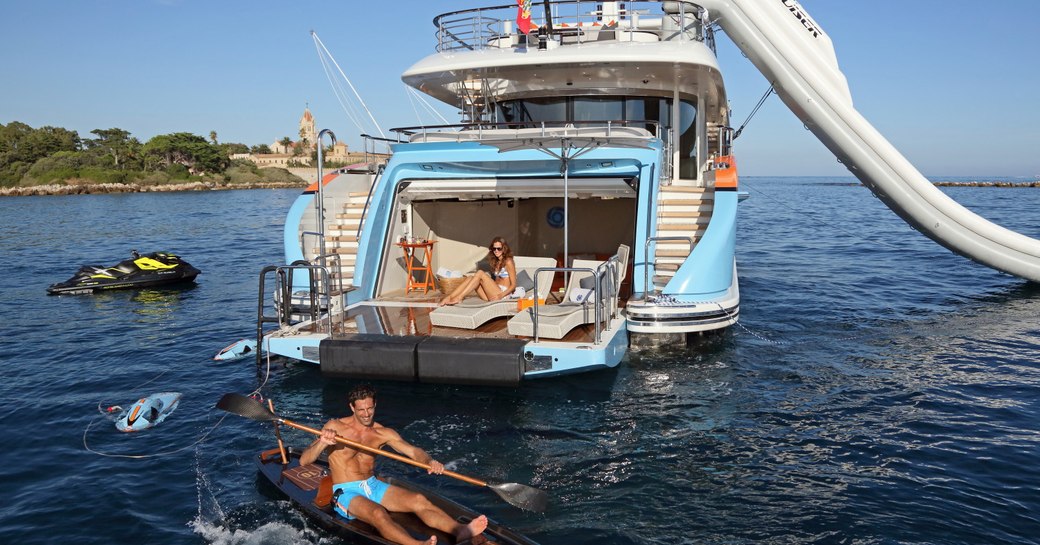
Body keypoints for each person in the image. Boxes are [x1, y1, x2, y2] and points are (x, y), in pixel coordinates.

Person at [299, 384, 487, 545]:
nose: (366, 414)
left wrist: (429, 461)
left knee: (419, 500)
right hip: (346, 491)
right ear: (352, 407)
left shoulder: (383, 433)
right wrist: (323, 442)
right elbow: (304, 460)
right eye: (361, 410)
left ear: (375, 405)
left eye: (370, 408)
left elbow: (413, 451)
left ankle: (459, 530)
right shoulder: (335, 427)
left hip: (372, 485)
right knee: (378, 514)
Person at [439, 237, 516, 306]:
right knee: (470, 278)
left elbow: (513, 285)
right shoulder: (496, 261)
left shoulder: (508, 261)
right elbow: (497, 281)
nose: (496, 251)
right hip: (494, 293)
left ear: (504, 248)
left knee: (480, 273)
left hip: (503, 295)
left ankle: (459, 297)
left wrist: (500, 295)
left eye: (499, 248)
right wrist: (488, 285)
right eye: (494, 248)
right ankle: (450, 297)